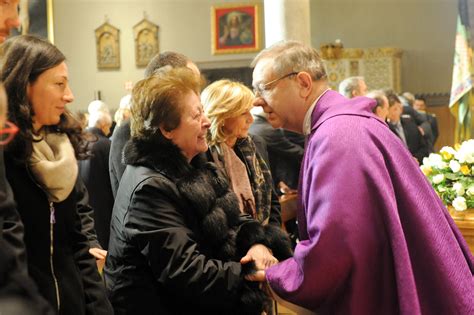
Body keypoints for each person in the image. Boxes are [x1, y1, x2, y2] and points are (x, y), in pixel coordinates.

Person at [250, 40, 473, 314]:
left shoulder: (337, 137)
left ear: (304, 83)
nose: (256, 101)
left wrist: (279, 275)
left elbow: (336, 246)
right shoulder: (342, 125)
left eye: (263, 88)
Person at [105, 67, 289, 314]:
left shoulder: (196, 163)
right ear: (167, 130)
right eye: (195, 115)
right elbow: (185, 272)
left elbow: (232, 217)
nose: (206, 121)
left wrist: (256, 243)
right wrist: (250, 272)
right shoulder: (149, 187)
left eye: (203, 111)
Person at [2, 35, 112, 314]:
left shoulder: (62, 150)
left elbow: (79, 243)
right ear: (25, 85)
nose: (70, 95)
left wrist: (99, 307)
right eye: (59, 84)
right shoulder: (6, 159)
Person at [109, 51, 201, 197]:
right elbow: (133, 195)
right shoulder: (126, 130)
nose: (196, 93)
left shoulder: (195, 123)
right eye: (191, 83)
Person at [201, 80, 286, 229]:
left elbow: (271, 199)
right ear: (222, 117)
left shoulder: (255, 144)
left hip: (265, 236)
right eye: (243, 113)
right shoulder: (202, 153)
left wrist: (268, 242)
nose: (251, 119)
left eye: (250, 111)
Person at [79, 110, 114, 251]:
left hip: (83, 204)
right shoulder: (106, 145)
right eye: (109, 127)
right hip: (103, 206)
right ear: (104, 125)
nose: (109, 130)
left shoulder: (78, 141)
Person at [386, 92, 430, 164]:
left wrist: (416, 159)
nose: (396, 112)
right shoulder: (385, 129)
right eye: (394, 109)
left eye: (398, 108)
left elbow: (424, 148)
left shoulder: (410, 124)